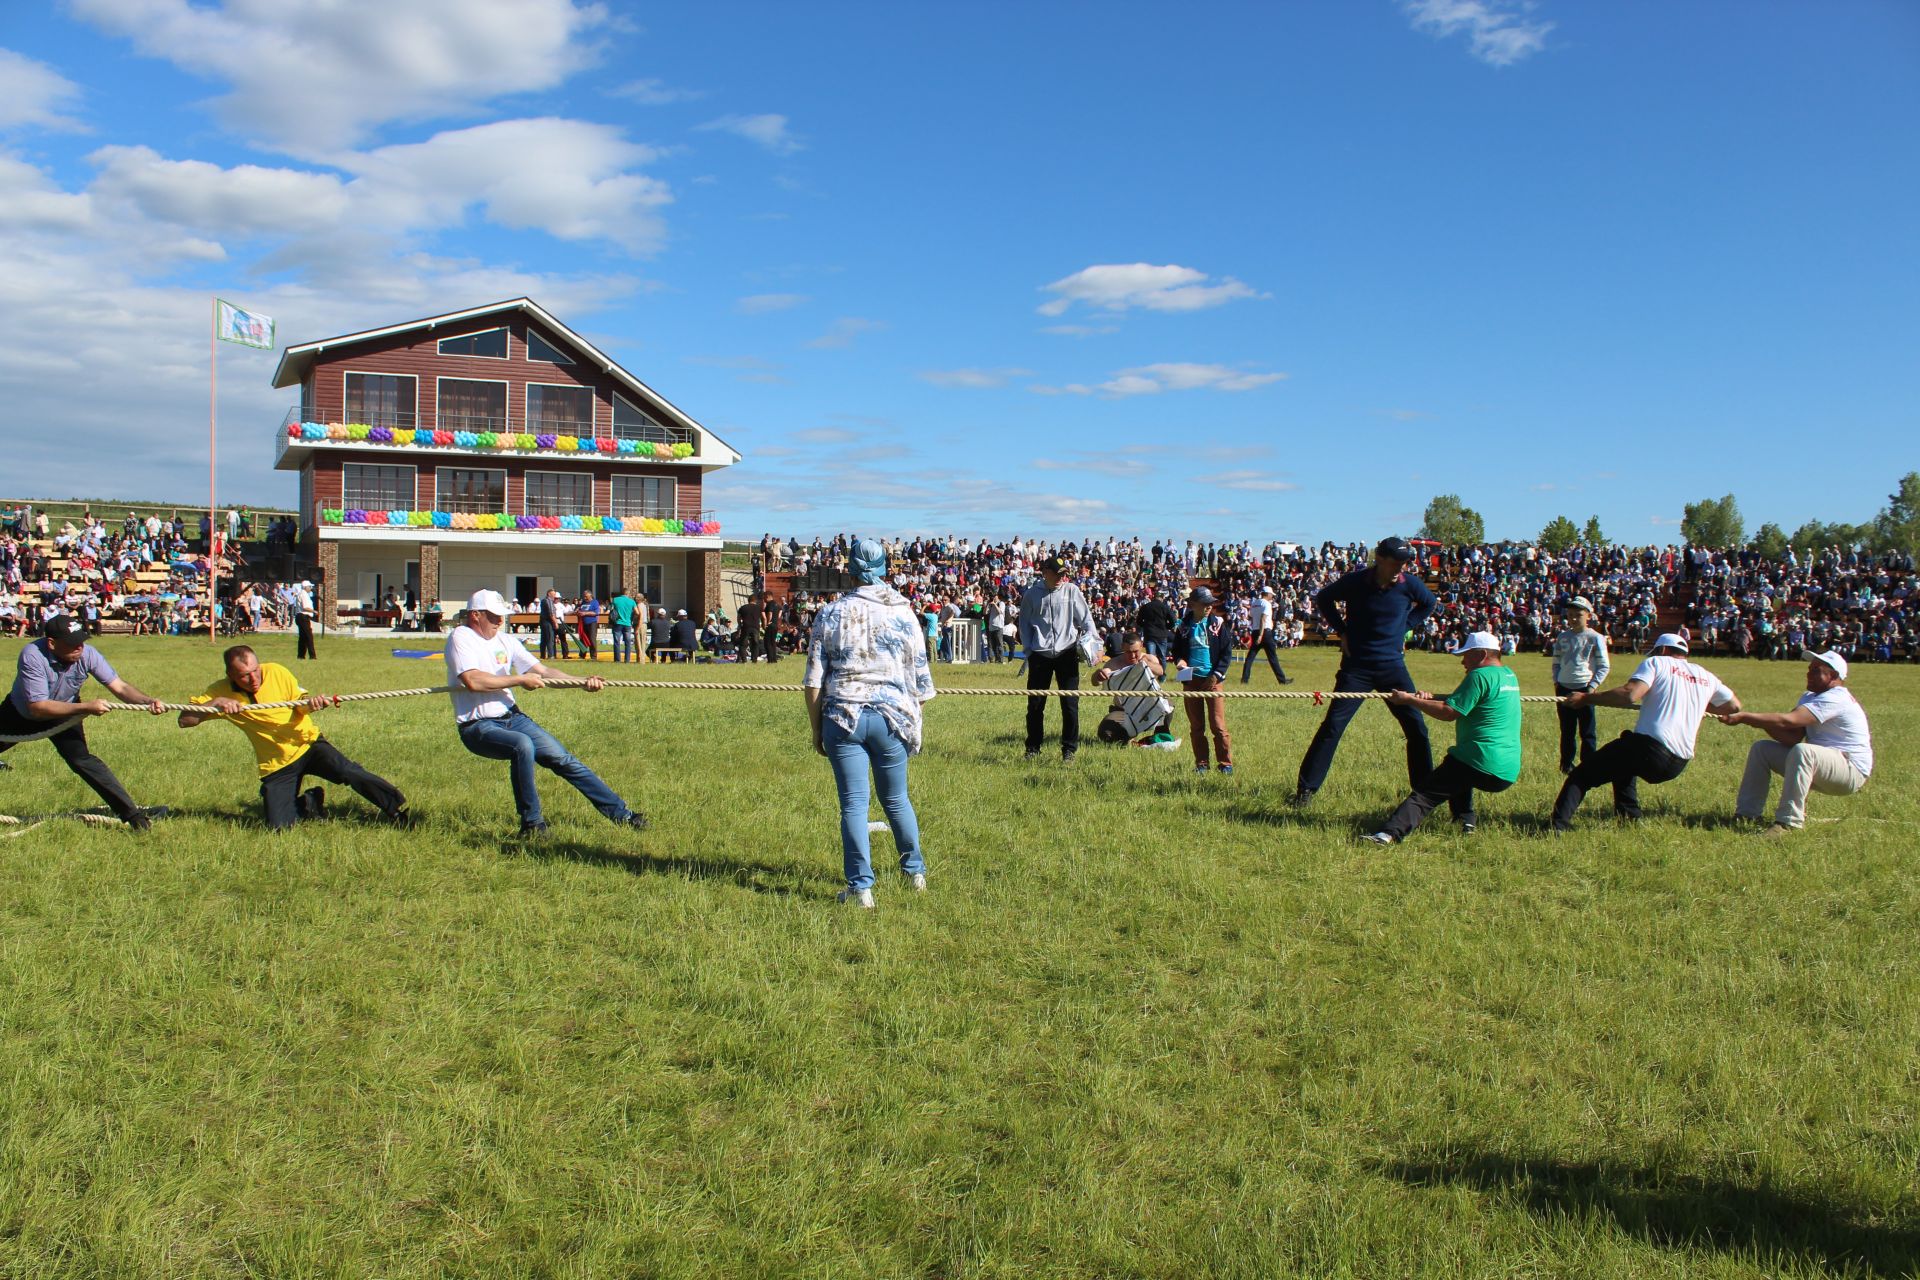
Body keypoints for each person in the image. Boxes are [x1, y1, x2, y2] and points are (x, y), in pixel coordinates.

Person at [445, 589, 648, 836]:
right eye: (494, 616)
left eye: (501, 616)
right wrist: (519, 680)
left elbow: (542, 671)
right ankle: (532, 825)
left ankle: (623, 815)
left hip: (512, 718)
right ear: (475, 615)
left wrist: (581, 681)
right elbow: (473, 680)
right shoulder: (461, 637)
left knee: (564, 760)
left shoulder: (506, 641)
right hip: (477, 726)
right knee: (522, 745)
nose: (500, 621)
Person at [803, 538, 935, 908]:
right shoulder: (906, 614)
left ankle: (861, 889)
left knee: (854, 805)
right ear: (884, 568)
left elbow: (813, 681)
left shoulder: (831, 614)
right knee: (896, 799)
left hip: (842, 717)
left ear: (850, 569)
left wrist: (816, 730)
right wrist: (911, 717)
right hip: (893, 718)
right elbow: (922, 684)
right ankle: (916, 873)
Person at [176, 644, 409, 830]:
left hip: (307, 744)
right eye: (245, 675)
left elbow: (299, 706)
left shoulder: (277, 672)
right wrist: (216, 703)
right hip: (277, 763)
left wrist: (312, 705)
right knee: (279, 828)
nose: (254, 678)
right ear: (230, 675)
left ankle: (397, 811)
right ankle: (309, 803)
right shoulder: (219, 691)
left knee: (349, 771)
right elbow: (185, 721)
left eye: (256, 670)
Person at [1292, 537, 1436, 807]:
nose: (1400, 569)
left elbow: (1429, 603)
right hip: (1356, 668)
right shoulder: (1356, 582)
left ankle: (1424, 795)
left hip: (1393, 668)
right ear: (1379, 560)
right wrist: (1342, 631)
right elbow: (1324, 598)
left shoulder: (1410, 585)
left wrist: (1406, 625)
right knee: (1333, 726)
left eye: (1404, 564)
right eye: (1396, 563)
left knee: (1417, 728)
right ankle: (1306, 791)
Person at [1549, 632, 1740, 832]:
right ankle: (1629, 818)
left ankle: (1556, 827)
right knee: (1625, 753)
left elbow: (1630, 694)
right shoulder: (1706, 676)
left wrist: (1586, 698)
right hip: (1678, 762)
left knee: (1582, 775)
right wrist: (1696, 705)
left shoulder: (1657, 663)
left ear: (1663, 650)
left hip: (1651, 749)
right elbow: (1734, 706)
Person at [0, 615, 164, 829]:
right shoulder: (32, 655)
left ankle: (134, 818)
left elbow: (120, 687)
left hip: (65, 713)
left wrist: (147, 701)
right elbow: (37, 707)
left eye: (81, 640)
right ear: (51, 643)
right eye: (72, 643)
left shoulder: (87, 654)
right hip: (21, 715)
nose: (79, 647)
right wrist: (86, 707)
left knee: (82, 760)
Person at [1364, 631, 1522, 844]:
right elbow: (1468, 700)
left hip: (1480, 757)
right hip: (1507, 768)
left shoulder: (1479, 676)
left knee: (1424, 796)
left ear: (1482, 654)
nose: (1463, 662)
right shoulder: (1509, 675)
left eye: (1466, 655)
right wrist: (1430, 698)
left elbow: (1448, 713)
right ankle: (1466, 823)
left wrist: (1410, 701)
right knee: (1459, 774)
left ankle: (1387, 835)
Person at [1721, 648, 1872, 835]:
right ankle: (1747, 814)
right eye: (1809, 668)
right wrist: (1755, 722)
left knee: (1804, 751)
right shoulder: (1810, 696)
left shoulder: (1836, 697)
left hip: (1850, 771)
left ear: (1833, 675)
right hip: (1824, 765)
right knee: (1762, 749)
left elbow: (1789, 721)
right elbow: (1791, 736)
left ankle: (1787, 824)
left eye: (1816, 670)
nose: (1808, 673)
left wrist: (1745, 717)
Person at [1018, 554, 1098, 762]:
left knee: (1070, 705)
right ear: (1046, 573)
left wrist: (1093, 644)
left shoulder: (1072, 591)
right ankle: (1033, 748)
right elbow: (1024, 623)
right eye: (1058, 574)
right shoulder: (1031, 595)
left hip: (1067, 653)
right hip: (1040, 655)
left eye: (1065, 574)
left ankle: (1069, 750)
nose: (1063, 577)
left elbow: (1087, 620)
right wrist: (1029, 650)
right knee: (1035, 705)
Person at [1171, 586, 1235, 773]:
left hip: (1213, 681)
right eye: (1204, 604)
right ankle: (1202, 764)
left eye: (1211, 603)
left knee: (1218, 724)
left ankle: (1225, 764)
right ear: (1192, 605)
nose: (1208, 607)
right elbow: (1177, 652)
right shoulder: (1183, 627)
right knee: (1197, 726)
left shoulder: (1218, 625)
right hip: (1191, 682)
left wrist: (1215, 676)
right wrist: (1180, 663)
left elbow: (1226, 653)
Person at [1550, 595, 1610, 773]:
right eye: (1570, 614)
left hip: (1584, 688)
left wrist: (1591, 688)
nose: (1573, 618)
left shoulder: (1595, 637)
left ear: (1588, 616)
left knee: (1587, 731)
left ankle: (1589, 766)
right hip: (1563, 688)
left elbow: (1603, 666)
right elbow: (1556, 662)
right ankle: (1566, 765)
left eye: (1578, 615)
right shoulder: (1563, 637)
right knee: (1567, 731)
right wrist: (1556, 682)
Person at [1092, 631, 1175, 745]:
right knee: (1106, 734)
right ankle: (1127, 738)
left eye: (1136, 651)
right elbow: (1095, 683)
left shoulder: (1149, 658)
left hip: (1149, 707)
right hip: (1123, 711)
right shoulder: (1114, 664)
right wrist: (1098, 675)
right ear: (1122, 648)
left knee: (1168, 704)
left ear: (1141, 646)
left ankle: (1159, 736)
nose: (1132, 656)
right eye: (1128, 652)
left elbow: (1160, 671)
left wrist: (1145, 663)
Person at [1239, 585, 1293, 685]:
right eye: (1271, 595)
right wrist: (1261, 635)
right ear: (1267, 594)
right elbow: (1263, 619)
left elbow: (1251, 616)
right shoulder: (1266, 604)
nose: (1272, 597)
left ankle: (1244, 679)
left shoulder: (1255, 603)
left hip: (1255, 631)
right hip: (1265, 633)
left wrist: (1257, 633)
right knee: (1272, 658)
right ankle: (1282, 680)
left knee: (1250, 657)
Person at [608, 586, 637, 663]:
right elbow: (637, 612)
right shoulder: (632, 602)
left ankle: (617, 660)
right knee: (628, 643)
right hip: (627, 624)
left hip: (617, 623)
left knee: (617, 642)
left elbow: (610, 610)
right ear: (628, 593)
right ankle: (627, 660)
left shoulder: (615, 600)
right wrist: (631, 616)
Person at [293, 578, 317, 659]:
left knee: (303, 637)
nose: (310, 588)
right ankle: (312, 656)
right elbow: (305, 607)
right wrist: (314, 611)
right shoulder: (303, 595)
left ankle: (301, 656)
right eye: (309, 586)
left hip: (301, 617)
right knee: (309, 637)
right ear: (306, 587)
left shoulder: (302, 594)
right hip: (303, 617)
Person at [736, 592, 764, 662]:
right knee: (755, 644)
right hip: (755, 628)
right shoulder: (759, 608)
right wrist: (763, 625)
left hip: (746, 627)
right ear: (756, 600)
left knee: (743, 644)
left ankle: (744, 660)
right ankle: (754, 660)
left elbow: (738, 618)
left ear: (748, 600)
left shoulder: (743, 607)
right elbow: (764, 617)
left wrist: (739, 625)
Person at [576, 591, 600, 660]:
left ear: (590, 596)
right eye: (584, 596)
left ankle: (593, 656)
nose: (585, 598)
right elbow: (579, 610)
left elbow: (596, 613)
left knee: (592, 639)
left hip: (592, 623)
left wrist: (585, 613)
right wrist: (578, 612)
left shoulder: (595, 602)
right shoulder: (583, 602)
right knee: (583, 639)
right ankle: (582, 655)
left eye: (586, 596)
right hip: (583, 623)